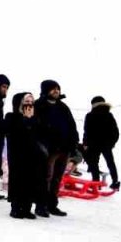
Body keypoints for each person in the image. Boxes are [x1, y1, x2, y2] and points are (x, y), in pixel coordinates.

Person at [34, 79, 78, 217]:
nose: (56, 91)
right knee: (45, 177)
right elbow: (35, 127)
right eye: (53, 88)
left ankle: (52, 205)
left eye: (57, 88)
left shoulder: (63, 107)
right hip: (48, 149)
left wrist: (74, 144)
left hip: (64, 149)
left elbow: (72, 126)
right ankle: (41, 206)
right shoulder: (38, 105)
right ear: (46, 90)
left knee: (57, 178)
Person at [3, 92, 44, 219]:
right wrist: (25, 120)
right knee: (18, 180)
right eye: (26, 101)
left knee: (31, 180)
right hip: (17, 154)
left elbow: (37, 134)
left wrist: (31, 120)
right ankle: (15, 207)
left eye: (31, 102)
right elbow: (15, 134)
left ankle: (27, 208)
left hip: (32, 154)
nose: (29, 105)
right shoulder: (11, 117)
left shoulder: (36, 118)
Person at [83, 95, 121, 190]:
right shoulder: (109, 115)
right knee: (110, 162)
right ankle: (115, 181)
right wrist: (112, 143)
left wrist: (85, 143)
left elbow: (86, 131)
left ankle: (96, 183)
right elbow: (115, 132)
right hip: (106, 145)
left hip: (93, 144)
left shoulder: (89, 115)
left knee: (94, 163)